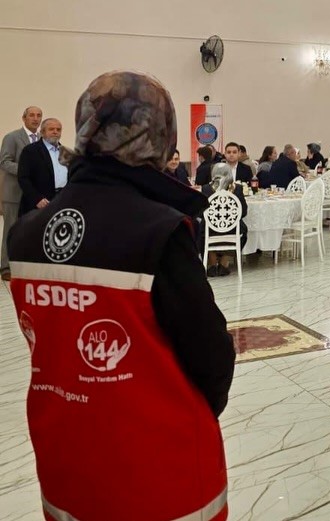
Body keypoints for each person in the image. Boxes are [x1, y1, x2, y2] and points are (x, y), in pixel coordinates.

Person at [7, 70, 233, 520]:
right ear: (159, 134)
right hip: (155, 464)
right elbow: (211, 355)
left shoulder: (26, 232)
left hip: (64, 452)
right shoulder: (158, 228)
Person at [0, 105, 42, 280]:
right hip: (14, 193)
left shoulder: (42, 139)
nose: (35, 118)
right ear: (24, 118)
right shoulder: (12, 137)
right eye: (31, 115)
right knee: (11, 230)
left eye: (38, 115)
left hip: (33, 194)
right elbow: (4, 162)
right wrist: (27, 170)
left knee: (30, 231)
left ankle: (24, 265)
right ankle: (6, 267)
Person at [201, 162, 248, 277]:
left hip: (211, 230)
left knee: (201, 229)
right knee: (243, 231)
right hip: (232, 229)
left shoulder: (206, 189)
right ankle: (224, 263)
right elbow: (243, 212)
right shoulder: (237, 188)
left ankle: (212, 264)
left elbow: (202, 211)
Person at [17, 118, 68, 216]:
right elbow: (23, 178)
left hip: (61, 202)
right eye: (51, 129)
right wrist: (37, 199)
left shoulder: (65, 152)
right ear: (42, 132)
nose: (55, 132)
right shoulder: (30, 151)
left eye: (58, 129)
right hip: (39, 204)